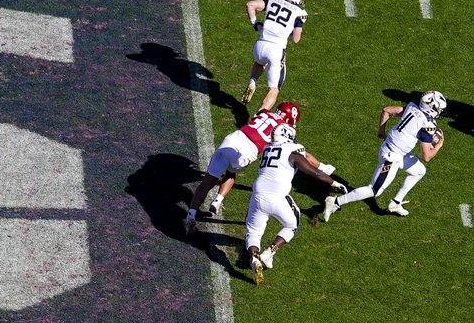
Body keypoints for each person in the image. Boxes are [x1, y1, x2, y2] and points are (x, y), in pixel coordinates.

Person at [185, 102, 308, 234]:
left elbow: (266, 103)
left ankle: (191, 215)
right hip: (247, 152)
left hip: (232, 140)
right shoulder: (286, 129)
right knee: (231, 173)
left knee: (207, 181)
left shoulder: (265, 113)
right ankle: (218, 200)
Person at [322, 90, 446, 221]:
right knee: (374, 190)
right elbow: (426, 157)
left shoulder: (412, 107)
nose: (440, 112)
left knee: (419, 171)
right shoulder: (428, 126)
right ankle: (335, 201)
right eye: (439, 109)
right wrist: (438, 145)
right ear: (431, 107)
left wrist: (381, 131)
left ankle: (396, 203)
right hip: (391, 157)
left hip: (394, 149)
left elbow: (386, 110)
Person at [245, 123, 344, 284]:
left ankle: (255, 258)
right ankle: (270, 252)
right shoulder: (291, 151)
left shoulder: (267, 148)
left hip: (257, 195)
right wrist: (333, 183)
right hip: (278, 196)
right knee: (292, 224)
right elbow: (314, 172)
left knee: (254, 233)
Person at [241, 0, 307, 113]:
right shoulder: (299, 12)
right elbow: (296, 39)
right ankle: (258, 118)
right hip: (276, 51)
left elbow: (250, 5)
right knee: (274, 89)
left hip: (259, 46)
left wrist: (255, 24)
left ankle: (253, 81)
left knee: (260, 62)